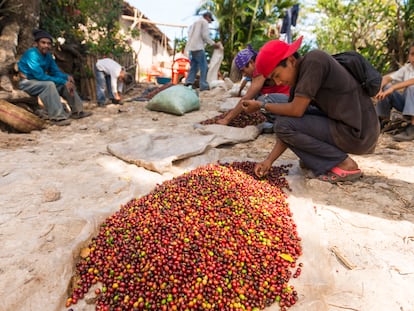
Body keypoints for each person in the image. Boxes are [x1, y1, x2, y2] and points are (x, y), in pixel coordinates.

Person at [241, 36, 380, 183]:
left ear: (291, 61)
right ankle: (320, 160)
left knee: (282, 123)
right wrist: (269, 161)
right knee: (283, 123)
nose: (278, 82)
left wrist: (261, 105)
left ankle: (346, 165)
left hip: (359, 133)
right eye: (273, 80)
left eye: (277, 75)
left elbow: (295, 111)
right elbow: (289, 123)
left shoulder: (314, 61)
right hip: (351, 128)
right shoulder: (298, 82)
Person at [18, 29, 92, 126]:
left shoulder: (48, 56)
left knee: (67, 84)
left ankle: (77, 112)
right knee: (49, 85)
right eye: (43, 43)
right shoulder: (31, 54)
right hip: (27, 82)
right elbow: (39, 76)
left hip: (39, 82)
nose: (46, 46)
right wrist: (63, 81)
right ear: (36, 44)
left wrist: (67, 77)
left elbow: (55, 71)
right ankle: (57, 118)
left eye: (48, 43)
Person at [216, 45, 290, 126]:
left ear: (251, 63)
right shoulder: (255, 74)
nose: (244, 74)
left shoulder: (259, 68)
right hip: (282, 102)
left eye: (243, 70)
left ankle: (279, 122)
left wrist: (227, 119)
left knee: (261, 101)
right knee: (257, 102)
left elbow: (247, 97)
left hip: (288, 101)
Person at [375, 43, 414, 142]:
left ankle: (412, 128)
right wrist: (380, 89)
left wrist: (393, 88)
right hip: (408, 105)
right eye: (412, 54)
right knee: (386, 87)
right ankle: (381, 121)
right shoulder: (407, 68)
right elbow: (387, 78)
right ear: (409, 56)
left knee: (411, 88)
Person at [184, 11, 221, 91]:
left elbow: (189, 33)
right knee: (204, 66)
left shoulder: (195, 22)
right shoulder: (204, 22)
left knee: (194, 66)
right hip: (198, 47)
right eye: (210, 19)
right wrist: (213, 44)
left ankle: (189, 82)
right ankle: (203, 85)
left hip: (191, 47)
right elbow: (205, 36)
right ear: (207, 17)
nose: (210, 21)